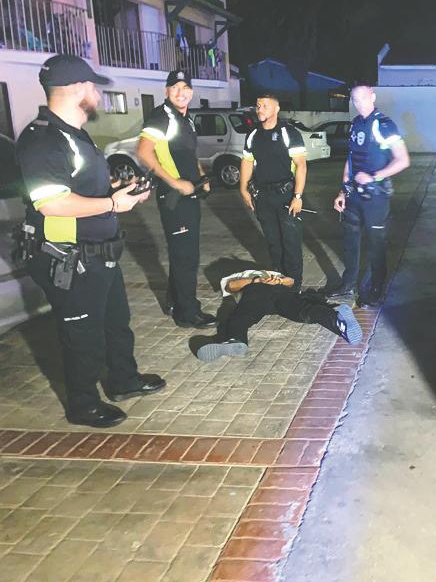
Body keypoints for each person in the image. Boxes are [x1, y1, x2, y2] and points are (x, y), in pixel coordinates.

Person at [15, 54, 165, 428]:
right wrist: (113, 204)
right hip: (69, 258)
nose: (98, 95)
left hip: (99, 253)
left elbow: (80, 186)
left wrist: (120, 189)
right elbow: (52, 204)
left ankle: (123, 380)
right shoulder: (43, 140)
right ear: (78, 88)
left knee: (116, 322)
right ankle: (83, 405)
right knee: (82, 335)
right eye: (94, 87)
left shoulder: (74, 134)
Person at [136, 70, 216, 329]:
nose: (181, 93)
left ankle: (173, 302)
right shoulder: (161, 116)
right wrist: (175, 182)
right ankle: (188, 313)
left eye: (185, 88)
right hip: (174, 197)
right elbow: (143, 152)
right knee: (186, 256)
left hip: (190, 194)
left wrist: (201, 176)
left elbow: (189, 155)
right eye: (175, 88)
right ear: (166, 91)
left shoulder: (186, 119)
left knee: (183, 252)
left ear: (191, 91)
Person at [326, 84, 410, 306]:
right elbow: (351, 159)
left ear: (372, 96)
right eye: (355, 100)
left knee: (376, 245)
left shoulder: (384, 125)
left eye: (363, 98)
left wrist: (374, 176)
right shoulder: (355, 124)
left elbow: (403, 160)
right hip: (353, 196)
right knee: (350, 243)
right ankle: (348, 285)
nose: (359, 103)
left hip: (375, 198)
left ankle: (376, 288)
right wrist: (343, 190)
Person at [196, 270, 362, 362]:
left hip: (280, 294)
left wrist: (278, 281)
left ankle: (337, 321)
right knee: (242, 315)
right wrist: (256, 281)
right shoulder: (242, 275)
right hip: (256, 292)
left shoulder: (273, 273)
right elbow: (231, 286)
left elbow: (291, 281)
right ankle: (235, 341)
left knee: (303, 311)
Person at [239, 94, 307, 291]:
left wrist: (298, 196)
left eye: (265, 106)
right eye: (258, 105)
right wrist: (243, 188)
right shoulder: (253, 134)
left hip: (286, 195)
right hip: (263, 197)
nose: (260, 109)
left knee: (290, 243)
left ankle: (294, 287)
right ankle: (278, 283)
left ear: (276, 109)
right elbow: (247, 161)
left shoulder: (289, 133)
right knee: (273, 243)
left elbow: (301, 165)